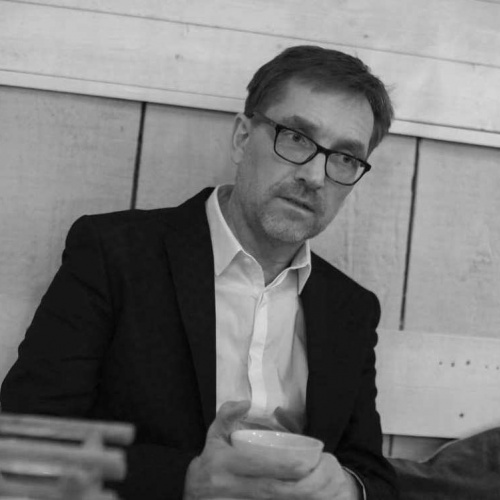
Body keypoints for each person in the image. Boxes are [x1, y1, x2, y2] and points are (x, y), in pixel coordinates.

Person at [1, 45, 399, 499]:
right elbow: (22, 446)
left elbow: (374, 476)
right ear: (242, 138)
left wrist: (346, 488)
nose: (315, 175)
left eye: (345, 157)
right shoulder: (116, 255)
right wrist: (185, 480)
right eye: (296, 137)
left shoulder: (350, 309)